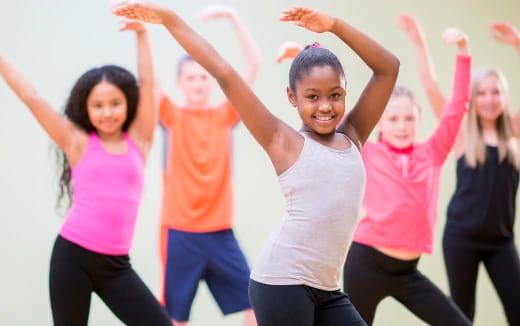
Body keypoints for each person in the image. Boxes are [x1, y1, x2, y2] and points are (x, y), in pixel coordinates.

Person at [113, 3, 399, 326]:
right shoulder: (281, 139)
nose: (325, 106)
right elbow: (223, 72)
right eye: (312, 97)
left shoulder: (353, 135)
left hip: (328, 290)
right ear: (292, 97)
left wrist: (334, 25)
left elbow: (388, 67)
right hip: (282, 283)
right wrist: (169, 19)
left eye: (335, 95)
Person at [0, 19, 171, 326]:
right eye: (98, 105)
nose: (107, 113)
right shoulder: (76, 142)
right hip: (72, 258)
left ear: (127, 104)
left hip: (117, 265)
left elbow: (148, 84)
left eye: (115, 103)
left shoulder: (140, 139)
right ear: (86, 108)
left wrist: (142, 34)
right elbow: (32, 97)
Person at [342, 27, 472, 325]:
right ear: (380, 124)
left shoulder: (432, 152)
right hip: (365, 264)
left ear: (420, 120)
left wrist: (463, 52)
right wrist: (303, 54)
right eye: (394, 119)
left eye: (409, 118)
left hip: (408, 272)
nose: (402, 126)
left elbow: (457, 107)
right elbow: (331, 113)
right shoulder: (367, 151)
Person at [399, 14, 520, 325]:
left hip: (501, 241)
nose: (489, 99)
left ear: (504, 97)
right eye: (482, 92)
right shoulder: (463, 132)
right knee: (462, 317)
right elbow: (430, 85)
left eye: (496, 92)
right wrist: (419, 41)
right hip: (461, 238)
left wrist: (519, 43)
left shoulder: (514, 133)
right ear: (473, 98)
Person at [155, 4, 261, 326]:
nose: (198, 84)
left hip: (219, 232)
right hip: (180, 233)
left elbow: (254, 65)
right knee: (175, 317)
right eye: (191, 78)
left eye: (203, 78)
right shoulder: (170, 115)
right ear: (180, 83)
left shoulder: (225, 116)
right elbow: (147, 79)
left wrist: (234, 18)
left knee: (258, 302)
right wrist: (143, 29)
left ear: (212, 82)